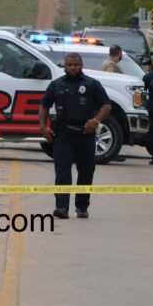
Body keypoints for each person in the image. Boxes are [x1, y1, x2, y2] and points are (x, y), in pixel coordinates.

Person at [39, 53, 111, 219]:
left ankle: (82, 207)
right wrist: (43, 127)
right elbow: (44, 106)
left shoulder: (92, 84)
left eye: (76, 64)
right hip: (63, 133)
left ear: (81, 65)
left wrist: (96, 120)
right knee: (63, 170)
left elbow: (106, 105)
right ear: (64, 65)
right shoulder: (56, 85)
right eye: (69, 64)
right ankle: (62, 207)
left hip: (85, 134)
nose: (72, 67)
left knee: (86, 171)